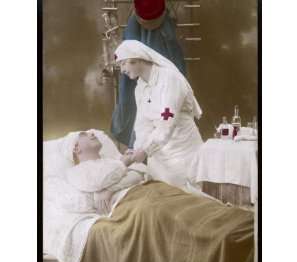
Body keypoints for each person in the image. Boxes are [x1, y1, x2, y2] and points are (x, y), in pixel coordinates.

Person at [114, 40, 203, 191]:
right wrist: (137, 148)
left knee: (187, 197)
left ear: (136, 59)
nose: (121, 70)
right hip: (158, 155)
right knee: (162, 197)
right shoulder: (140, 87)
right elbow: (143, 124)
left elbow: (167, 121)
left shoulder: (170, 79)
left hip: (182, 150)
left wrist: (145, 150)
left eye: (123, 64)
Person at [110, 0, 186, 149]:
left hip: (160, 18)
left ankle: (151, 144)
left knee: (162, 96)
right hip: (142, 17)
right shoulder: (134, 30)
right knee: (135, 94)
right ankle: (140, 145)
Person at [61, 130, 147, 215]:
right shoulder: (75, 172)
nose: (92, 133)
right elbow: (98, 183)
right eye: (84, 135)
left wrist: (108, 190)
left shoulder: (112, 161)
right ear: (76, 148)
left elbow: (139, 174)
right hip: (127, 207)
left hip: (142, 194)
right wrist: (124, 163)